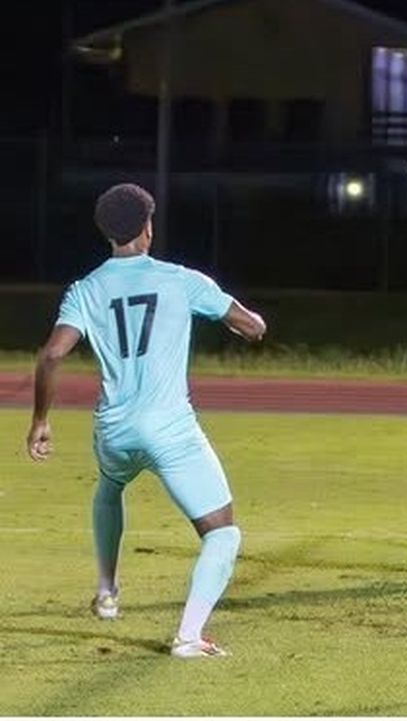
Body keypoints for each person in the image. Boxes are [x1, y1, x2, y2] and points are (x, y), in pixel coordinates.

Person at [26, 183, 267, 658]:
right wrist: (252, 326)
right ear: (148, 228)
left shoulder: (86, 288)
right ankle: (189, 636)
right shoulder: (181, 279)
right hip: (170, 429)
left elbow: (52, 355)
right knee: (223, 533)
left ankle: (107, 591)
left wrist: (40, 421)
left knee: (110, 485)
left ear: (106, 233)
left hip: (113, 429)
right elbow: (248, 323)